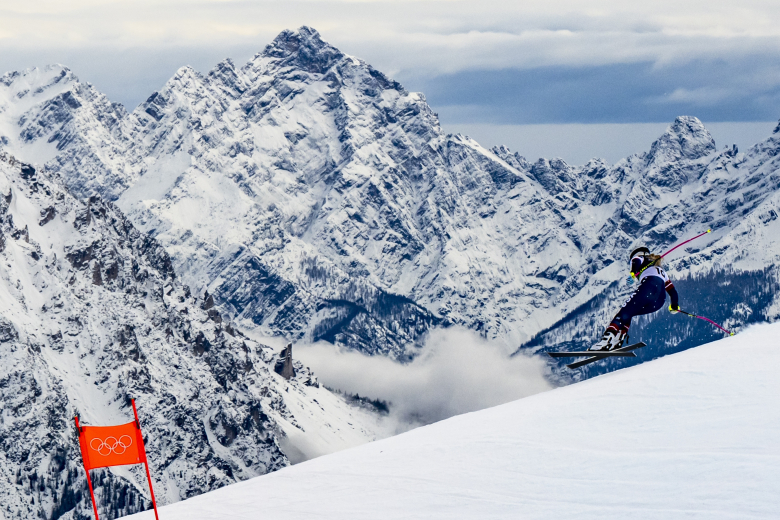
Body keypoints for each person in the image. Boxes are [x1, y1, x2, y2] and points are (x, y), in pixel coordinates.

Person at [589, 246, 680, 351]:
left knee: (624, 312)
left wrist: (633, 272)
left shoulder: (640, 257)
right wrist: (674, 305)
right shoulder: (662, 272)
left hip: (648, 288)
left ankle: (605, 341)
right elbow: (673, 292)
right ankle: (619, 339)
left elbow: (636, 261)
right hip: (659, 301)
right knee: (630, 312)